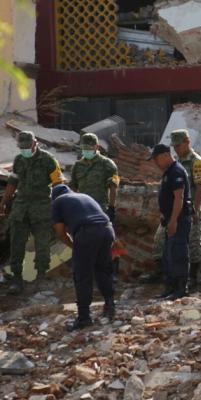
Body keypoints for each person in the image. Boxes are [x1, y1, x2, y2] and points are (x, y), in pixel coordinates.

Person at [0, 131, 64, 294]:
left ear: (35, 143)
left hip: (41, 209)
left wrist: (60, 206)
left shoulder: (48, 160)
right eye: (22, 147)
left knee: (42, 245)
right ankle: (17, 279)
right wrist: (4, 202)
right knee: (16, 244)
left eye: (27, 147)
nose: (25, 150)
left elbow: (58, 184)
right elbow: (12, 183)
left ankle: (41, 277)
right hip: (20, 209)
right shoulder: (19, 160)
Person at [51, 185, 115, 331]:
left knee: (82, 274)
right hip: (107, 230)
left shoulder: (58, 202)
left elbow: (60, 232)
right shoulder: (84, 196)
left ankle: (84, 318)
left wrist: (74, 246)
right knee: (103, 269)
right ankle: (110, 306)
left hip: (87, 232)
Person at [69, 133, 121, 282]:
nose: (86, 151)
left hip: (101, 209)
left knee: (108, 241)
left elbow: (113, 187)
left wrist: (111, 207)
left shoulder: (107, 164)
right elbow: (73, 188)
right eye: (84, 148)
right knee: (84, 243)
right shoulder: (77, 166)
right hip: (83, 212)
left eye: (89, 148)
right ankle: (88, 274)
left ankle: (112, 272)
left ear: (97, 147)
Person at [149, 144, 192, 300]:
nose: (155, 163)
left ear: (166, 155)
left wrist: (173, 220)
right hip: (170, 219)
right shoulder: (168, 172)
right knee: (169, 255)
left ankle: (181, 289)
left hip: (179, 219)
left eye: (157, 159)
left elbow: (179, 198)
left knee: (179, 253)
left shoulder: (177, 171)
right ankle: (170, 288)